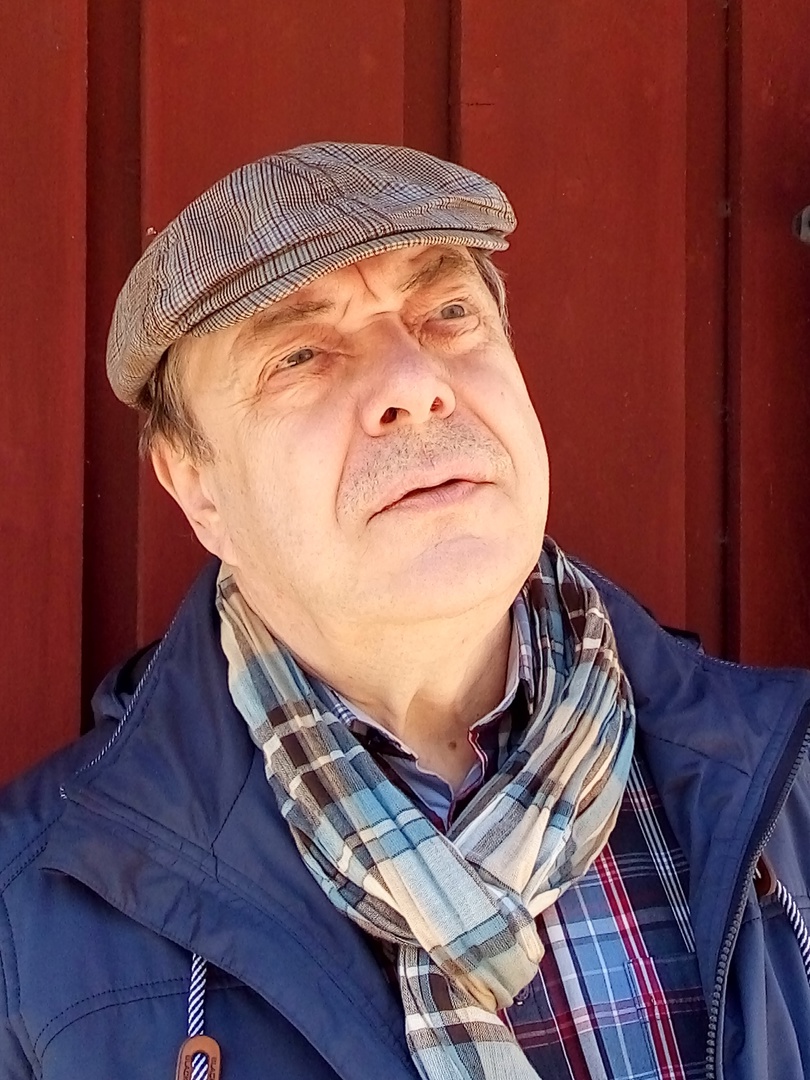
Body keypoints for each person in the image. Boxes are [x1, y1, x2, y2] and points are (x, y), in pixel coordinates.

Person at [1, 143, 809, 1080]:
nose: (414, 384)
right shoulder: (32, 914)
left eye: (449, 313)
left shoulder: (789, 782)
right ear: (197, 487)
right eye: (301, 354)